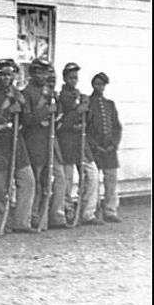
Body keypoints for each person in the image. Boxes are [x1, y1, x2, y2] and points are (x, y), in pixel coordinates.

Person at [0, 59, 36, 233]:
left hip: (16, 142)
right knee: (0, 186)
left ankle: (22, 221)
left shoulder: (18, 94)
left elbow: (28, 121)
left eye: (10, 74)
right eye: (2, 74)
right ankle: (0, 222)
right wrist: (7, 109)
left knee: (27, 180)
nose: (7, 78)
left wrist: (23, 107)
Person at [20, 58, 69, 229]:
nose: (42, 76)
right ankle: (34, 216)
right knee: (37, 181)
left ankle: (49, 216)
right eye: (39, 72)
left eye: (45, 72)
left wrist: (55, 111)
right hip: (35, 142)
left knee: (52, 180)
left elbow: (59, 114)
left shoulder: (48, 92)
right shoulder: (27, 93)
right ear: (32, 74)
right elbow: (26, 120)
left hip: (50, 141)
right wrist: (46, 112)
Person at [58, 63, 102, 225]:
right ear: (64, 78)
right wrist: (78, 111)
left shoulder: (79, 95)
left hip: (81, 142)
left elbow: (89, 119)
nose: (73, 81)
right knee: (67, 179)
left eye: (75, 78)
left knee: (92, 174)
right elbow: (60, 123)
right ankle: (68, 211)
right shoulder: (61, 97)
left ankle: (87, 212)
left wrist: (87, 109)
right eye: (70, 78)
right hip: (67, 142)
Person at [86, 72, 123, 223]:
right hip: (95, 149)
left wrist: (113, 144)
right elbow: (86, 129)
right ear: (92, 85)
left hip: (109, 149)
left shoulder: (110, 104)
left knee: (111, 179)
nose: (99, 87)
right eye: (97, 84)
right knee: (93, 181)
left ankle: (110, 210)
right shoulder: (88, 103)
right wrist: (95, 146)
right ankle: (93, 211)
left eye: (102, 84)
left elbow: (117, 127)